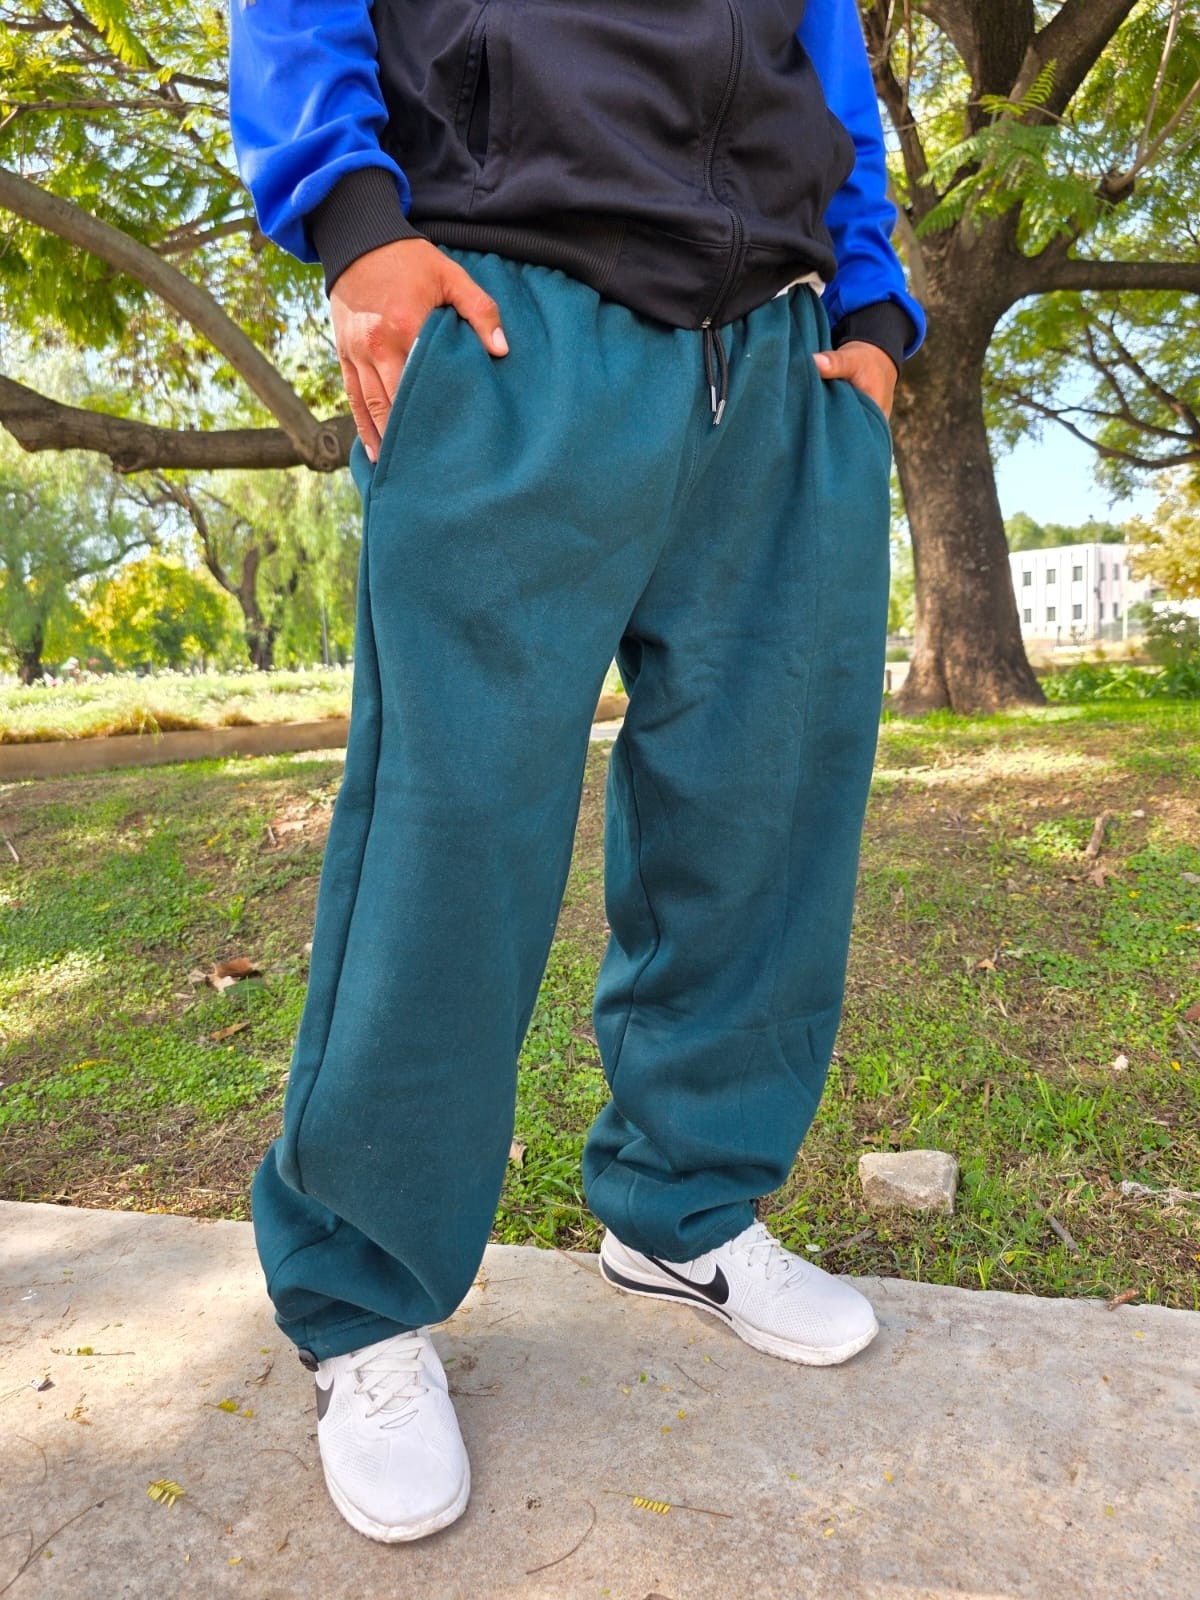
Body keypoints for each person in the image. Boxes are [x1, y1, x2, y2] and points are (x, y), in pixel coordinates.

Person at [230, 0, 925, 1545]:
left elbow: (832, 71)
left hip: (785, 355)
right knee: (453, 820)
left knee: (766, 808)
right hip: (515, 314)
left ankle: (683, 1208)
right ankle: (361, 1299)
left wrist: (876, 312)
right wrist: (356, 227)